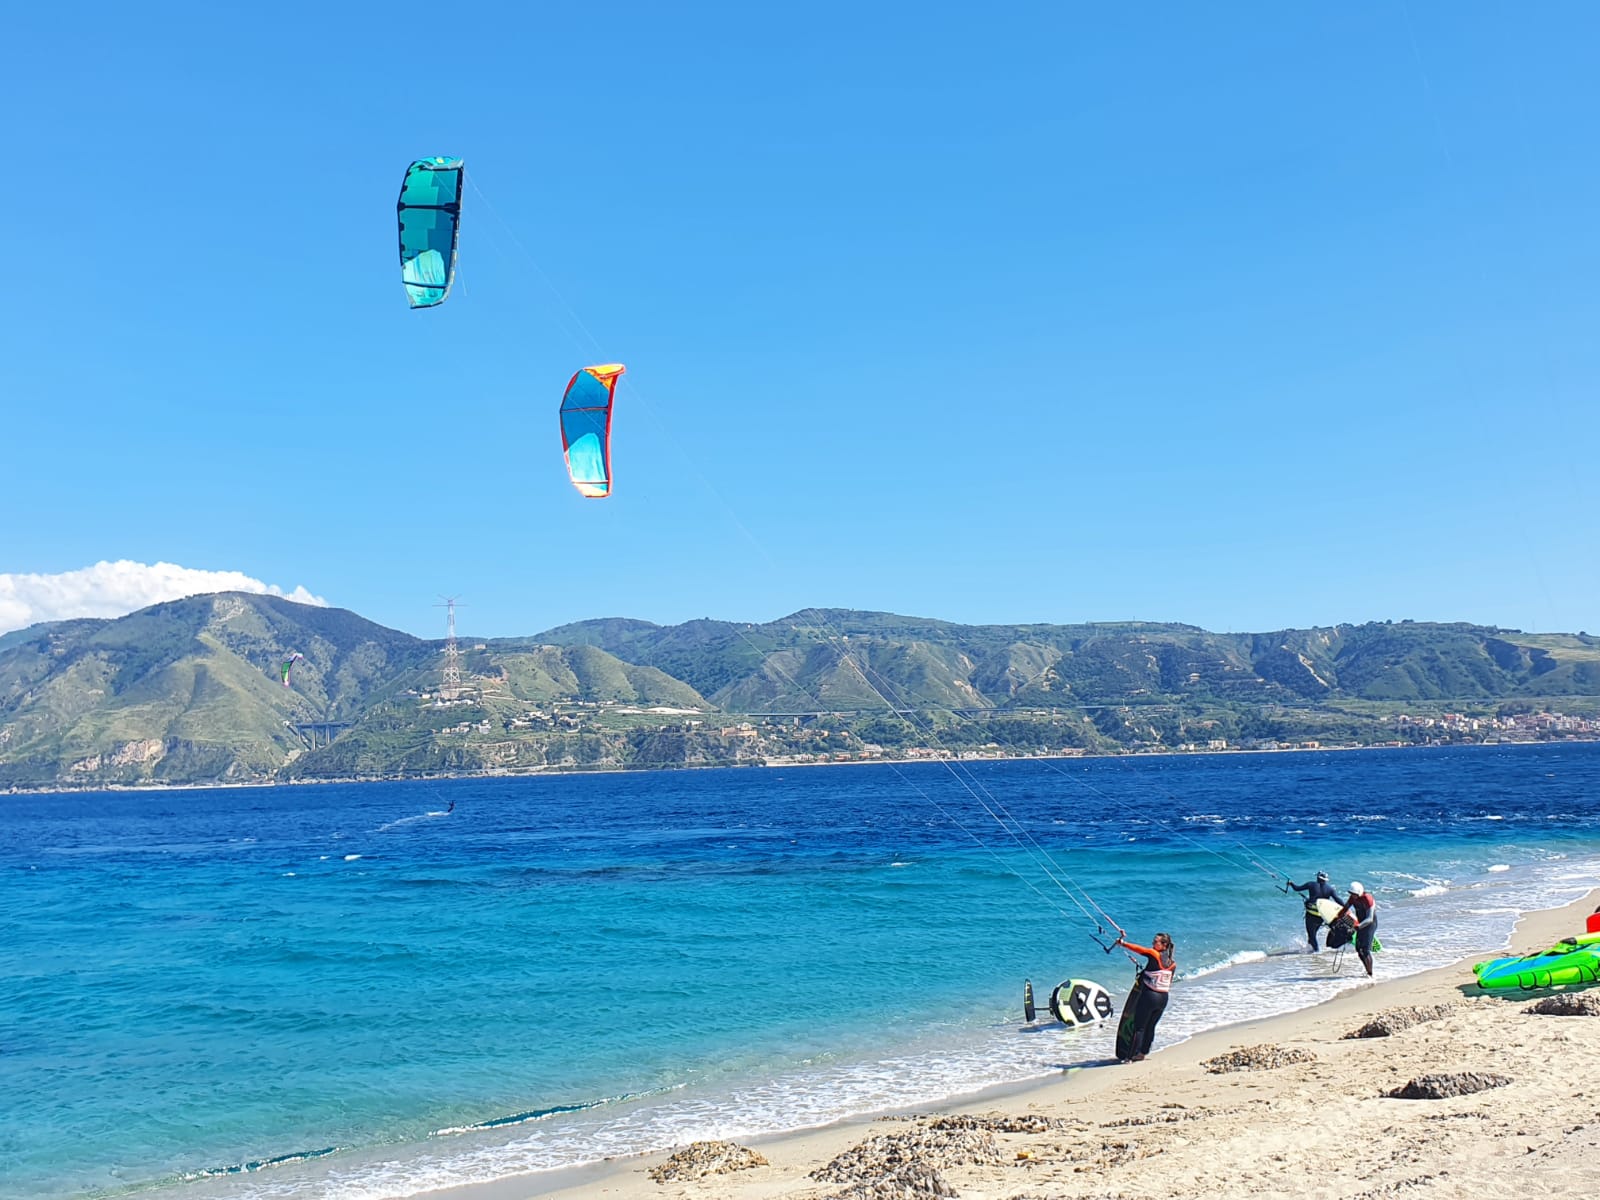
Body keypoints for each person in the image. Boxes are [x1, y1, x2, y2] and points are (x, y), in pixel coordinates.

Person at [1113, 929, 1175, 1062]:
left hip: (1150, 997)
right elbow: (1166, 980)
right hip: (1163, 999)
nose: (1153, 942)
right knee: (1150, 1026)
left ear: (1164, 945)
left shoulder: (1154, 954)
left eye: (1156, 941)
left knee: (1139, 1027)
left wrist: (1123, 943)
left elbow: (1140, 950)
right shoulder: (1172, 964)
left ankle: (1129, 1057)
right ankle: (1143, 1053)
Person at [1287, 871, 1345, 951]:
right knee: (1313, 934)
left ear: (1318, 878)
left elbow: (1297, 888)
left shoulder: (1311, 884)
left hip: (1311, 914)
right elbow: (1338, 900)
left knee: (1311, 935)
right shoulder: (1330, 889)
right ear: (1325, 880)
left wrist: (1291, 883)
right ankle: (1310, 951)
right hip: (1321, 915)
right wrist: (1346, 908)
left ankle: (1317, 952)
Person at [1333, 882, 1378, 976]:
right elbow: (1345, 909)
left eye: (1354, 895)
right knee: (1358, 949)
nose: (1353, 896)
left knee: (1365, 950)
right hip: (1360, 924)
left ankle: (1370, 974)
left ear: (1359, 893)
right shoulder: (1352, 898)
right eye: (1351, 894)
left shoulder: (1368, 899)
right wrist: (1336, 919)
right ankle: (1367, 970)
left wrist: (1358, 927)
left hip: (1369, 924)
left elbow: (1369, 918)